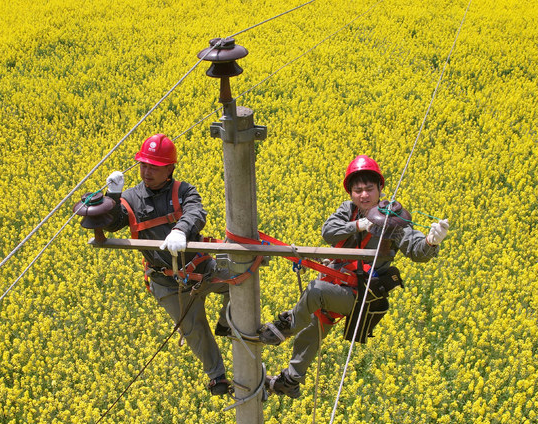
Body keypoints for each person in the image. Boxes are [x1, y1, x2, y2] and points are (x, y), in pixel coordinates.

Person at [258, 155, 449, 398]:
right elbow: (328, 233)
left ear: (380, 188)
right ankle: (290, 380)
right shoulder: (348, 211)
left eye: (370, 189)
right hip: (337, 283)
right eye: (357, 190)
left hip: (361, 294)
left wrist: (432, 241)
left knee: (315, 292)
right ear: (351, 193)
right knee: (316, 325)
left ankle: (283, 329)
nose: (364, 195)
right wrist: (359, 225)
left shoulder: (393, 219)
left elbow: (416, 250)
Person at [99, 133, 231, 395]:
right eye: (143, 165)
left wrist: (181, 229)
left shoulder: (183, 191)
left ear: (170, 168)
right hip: (166, 281)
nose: (147, 172)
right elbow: (112, 224)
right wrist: (112, 198)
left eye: (154, 166)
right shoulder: (131, 197)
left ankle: (227, 321)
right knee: (193, 328)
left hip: (200, 270)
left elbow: (196, 212)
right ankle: (217, 376)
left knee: (239, 281)